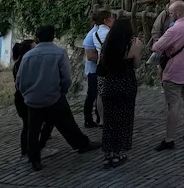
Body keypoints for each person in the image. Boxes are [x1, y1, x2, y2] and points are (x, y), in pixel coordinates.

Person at [15, 25, 101, 171]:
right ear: (53, 36)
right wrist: (62, 90)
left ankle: (34, 159)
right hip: (53, 96)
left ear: (37, 37)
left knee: (33, 130)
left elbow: (20, 80)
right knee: (67, 121)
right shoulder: (59, 53)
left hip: (33, 98)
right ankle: (81, 144)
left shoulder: (28, 56)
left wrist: (27, 93)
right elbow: (66, 77)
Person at [152, 1, 184, 151]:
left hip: (174, 72)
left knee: (172, 106)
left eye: (171, 13)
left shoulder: (174, 30)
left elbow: (157, 47)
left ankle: (169, 139)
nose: (170, 16)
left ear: (177, 13)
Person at [97, 17, 143, 168]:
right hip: (126, 84)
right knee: (124, 119)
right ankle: (118, 154)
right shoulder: (134, 44)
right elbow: (136, 65)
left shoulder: (107, 45)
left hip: (110, 85)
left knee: (110, 121)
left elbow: (102, 64)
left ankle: (107, 154)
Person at [12, 39, 53, 159]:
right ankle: (33, 150)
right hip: (26, 98)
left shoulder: (21, 61)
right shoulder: (24, 63)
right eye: (34, 47)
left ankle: (26, 150)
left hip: (23, 97)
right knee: (32, 125)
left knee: (29, 125)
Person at [81, 9, 113, 128]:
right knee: (93, 94)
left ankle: (98, 116)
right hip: (94, 70)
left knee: (97, 94)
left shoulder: (99, 31)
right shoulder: (92, 35)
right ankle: (88, 119)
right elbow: (90, 56)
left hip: (99, 68)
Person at [148, 0, 183, 81]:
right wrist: (158, 44)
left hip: (175, 44)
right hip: (163, 42)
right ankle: (163, 83)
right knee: (161, 66)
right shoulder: (164, 14)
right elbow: (156, 30)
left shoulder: (180, 12)